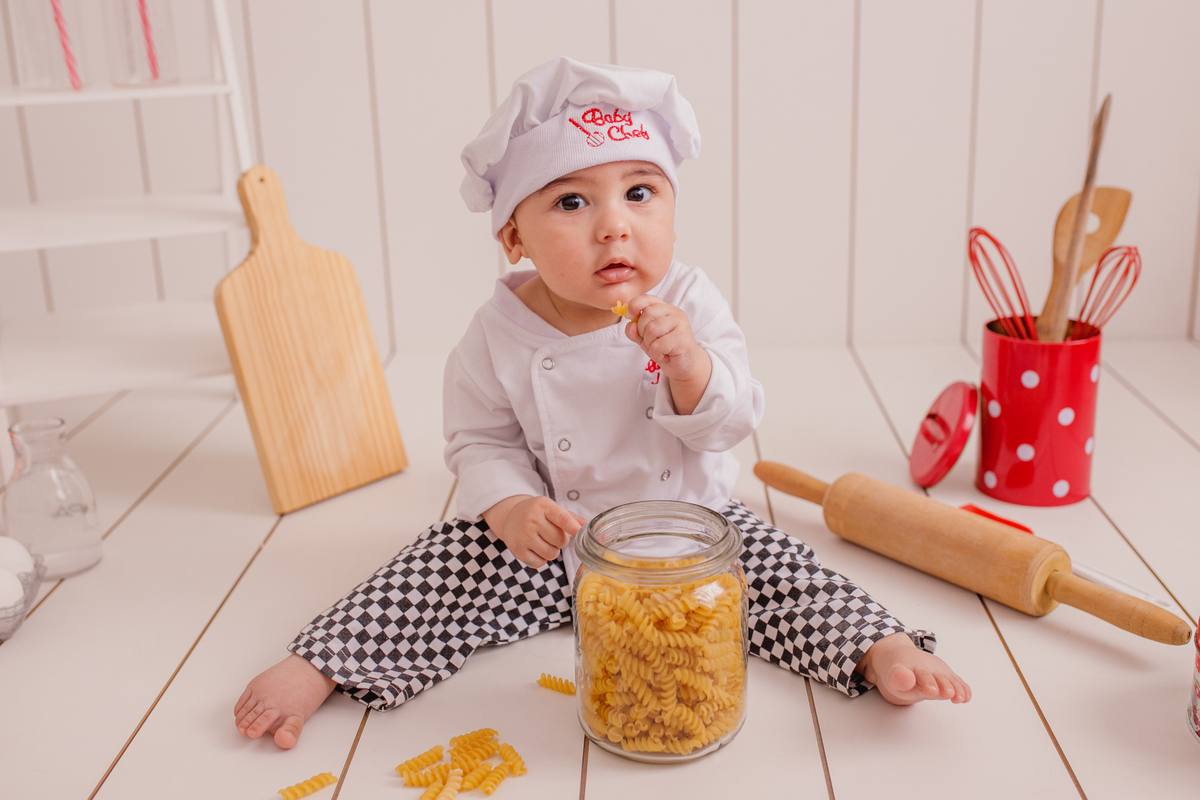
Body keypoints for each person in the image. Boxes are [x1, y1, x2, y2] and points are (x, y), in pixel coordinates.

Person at [234, 57, 971, 751]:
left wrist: (689, 364)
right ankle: (324, 663)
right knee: (434, 569)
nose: (615, 224)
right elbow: (480, 442)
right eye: (572, 201)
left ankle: (878, 648)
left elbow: (733, 421)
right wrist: (512, 508)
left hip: (689, 529)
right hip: (554, 543)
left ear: (672, 210)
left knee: (784, 571)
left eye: (639, 193)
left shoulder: (690, 302)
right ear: (514, 236)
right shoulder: (497, 333)